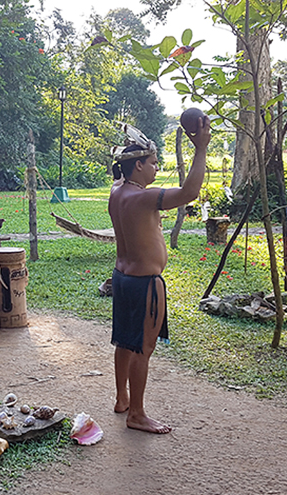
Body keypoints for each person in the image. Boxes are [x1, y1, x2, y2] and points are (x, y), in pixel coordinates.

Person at [108, 118, 211, 434]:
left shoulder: (117, 192)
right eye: (153, 163)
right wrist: (202, 147)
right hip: (144, 283)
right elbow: (190, 191)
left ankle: (122, 398)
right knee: (143, 348)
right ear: (138, 165)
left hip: (122, 278)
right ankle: (136, 414)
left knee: (125, 342)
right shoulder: (142, 198)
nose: (156, 168)